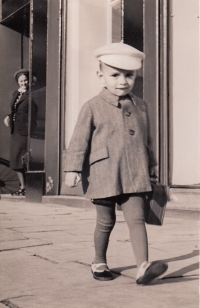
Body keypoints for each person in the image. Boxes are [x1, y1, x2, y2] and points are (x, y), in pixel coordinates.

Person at [64, 42, 168, 285]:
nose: (123, 81)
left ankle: (143, 267)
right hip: (104, 173)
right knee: (105, 220)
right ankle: (99, 260)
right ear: (101, 76)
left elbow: (147, 139)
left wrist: (151, 165)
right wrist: (72, 168)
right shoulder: (92, 106)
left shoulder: (141, 105)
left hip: (135, 172)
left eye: (129, 75)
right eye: (115, 75)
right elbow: (79, 139)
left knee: (137, 219)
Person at [4, 69, 37, 196]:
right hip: (15, 131)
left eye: (25, 80)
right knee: (15, 159)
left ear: (29, 81)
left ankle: (26, 187)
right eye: (21, 81)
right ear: (18, 82)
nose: (23, 83)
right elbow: (15, 109)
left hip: (25, 131)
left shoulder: (32, 94)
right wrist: (8, 116)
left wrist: (31, 129)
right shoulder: (16, 93)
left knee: (22, 159)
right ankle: (23, 186)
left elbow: (33, 113)